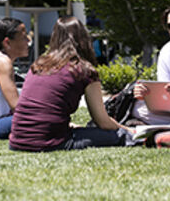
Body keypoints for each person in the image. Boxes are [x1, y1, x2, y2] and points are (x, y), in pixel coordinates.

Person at [9, 17, 133, 152]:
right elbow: (102, 121)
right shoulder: (83, 70)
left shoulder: (38, 65)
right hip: (50, 143)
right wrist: (127, 129)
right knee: (119, 135)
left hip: (17, 142)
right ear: (83, 38)